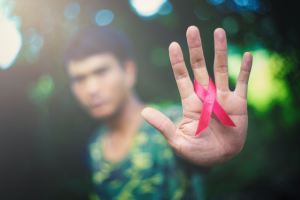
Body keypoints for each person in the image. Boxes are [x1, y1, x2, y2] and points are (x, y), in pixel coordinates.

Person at [63, 25, 252, 199]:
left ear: (128, 72)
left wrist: (211, 142)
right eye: (79, 79)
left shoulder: (174, 124)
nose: (91, 88)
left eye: (101, 72)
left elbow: (192, 142)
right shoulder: (95, 145)